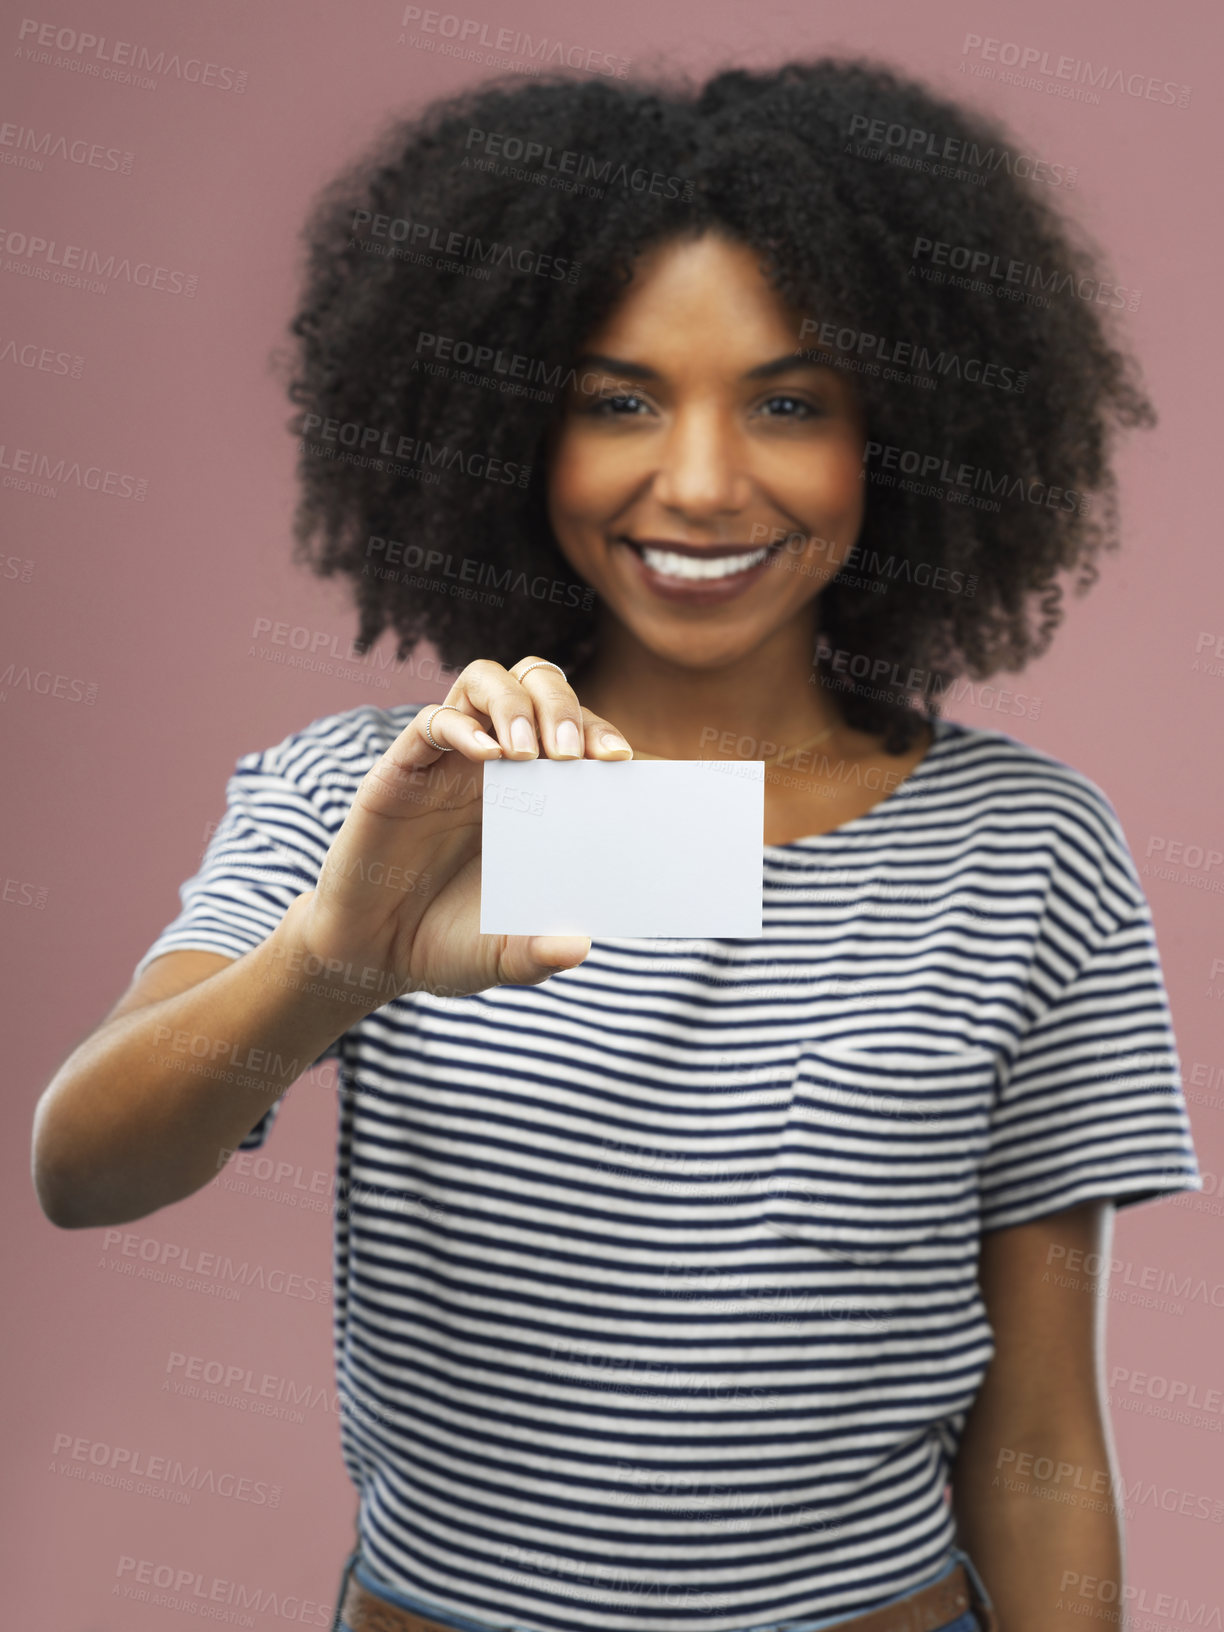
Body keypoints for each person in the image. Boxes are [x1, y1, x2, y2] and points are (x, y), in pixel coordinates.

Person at [32, 57, 1200, 1632]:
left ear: (903, 434)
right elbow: (88, 1170)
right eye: (617, 400)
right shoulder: (374, 803)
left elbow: (1047, 1424)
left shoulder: (1023, 846)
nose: (703, 483)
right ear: (510, 426)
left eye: (789, 402)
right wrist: (339, 958)